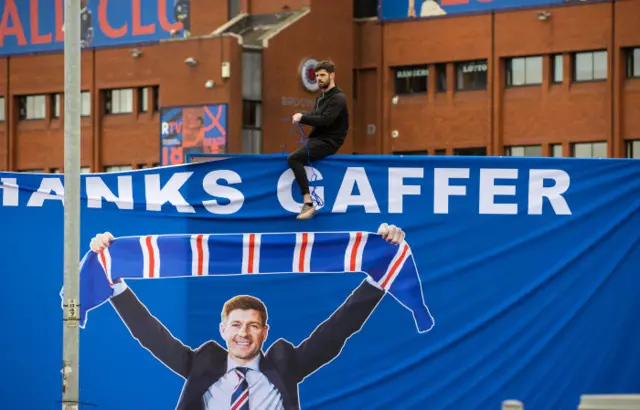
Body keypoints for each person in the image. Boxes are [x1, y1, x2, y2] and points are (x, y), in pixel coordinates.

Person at [89, 223, 405, 410]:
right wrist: (113, 279)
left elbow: (338, 330)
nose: (244, 333)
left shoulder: (286, 362)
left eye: (253, 326)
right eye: (236, 325)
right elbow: (150, 335)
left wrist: (379, 273)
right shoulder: (201, 363)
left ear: (265, 331)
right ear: (223, 330)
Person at [289, 60, 349, 220]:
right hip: (317, 139)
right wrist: (303, 116)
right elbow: (316, 116)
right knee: (295, 156)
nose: (319, 78)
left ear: (332, 75)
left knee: (294, 159)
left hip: (330, 141)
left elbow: (325, 120)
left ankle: (308, 202)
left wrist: (302, 118)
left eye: (322, 75)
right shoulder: (321, 96)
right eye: (316, 76)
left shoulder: (339, 98)